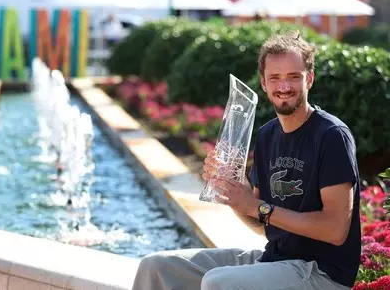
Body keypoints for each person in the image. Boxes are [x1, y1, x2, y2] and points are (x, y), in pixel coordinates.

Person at [131, 31, 361, 290]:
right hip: (275, 260)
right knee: (156, 267)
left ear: (309, 79)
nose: (284, 87)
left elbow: (335, 230)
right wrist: (233, 194)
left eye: (293, 77)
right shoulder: (268, 135)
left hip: (321, 272)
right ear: (263, 83)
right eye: (275, 78)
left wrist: (260, 208)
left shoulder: (331, 136)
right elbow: (260, 223)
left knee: (218, 283)